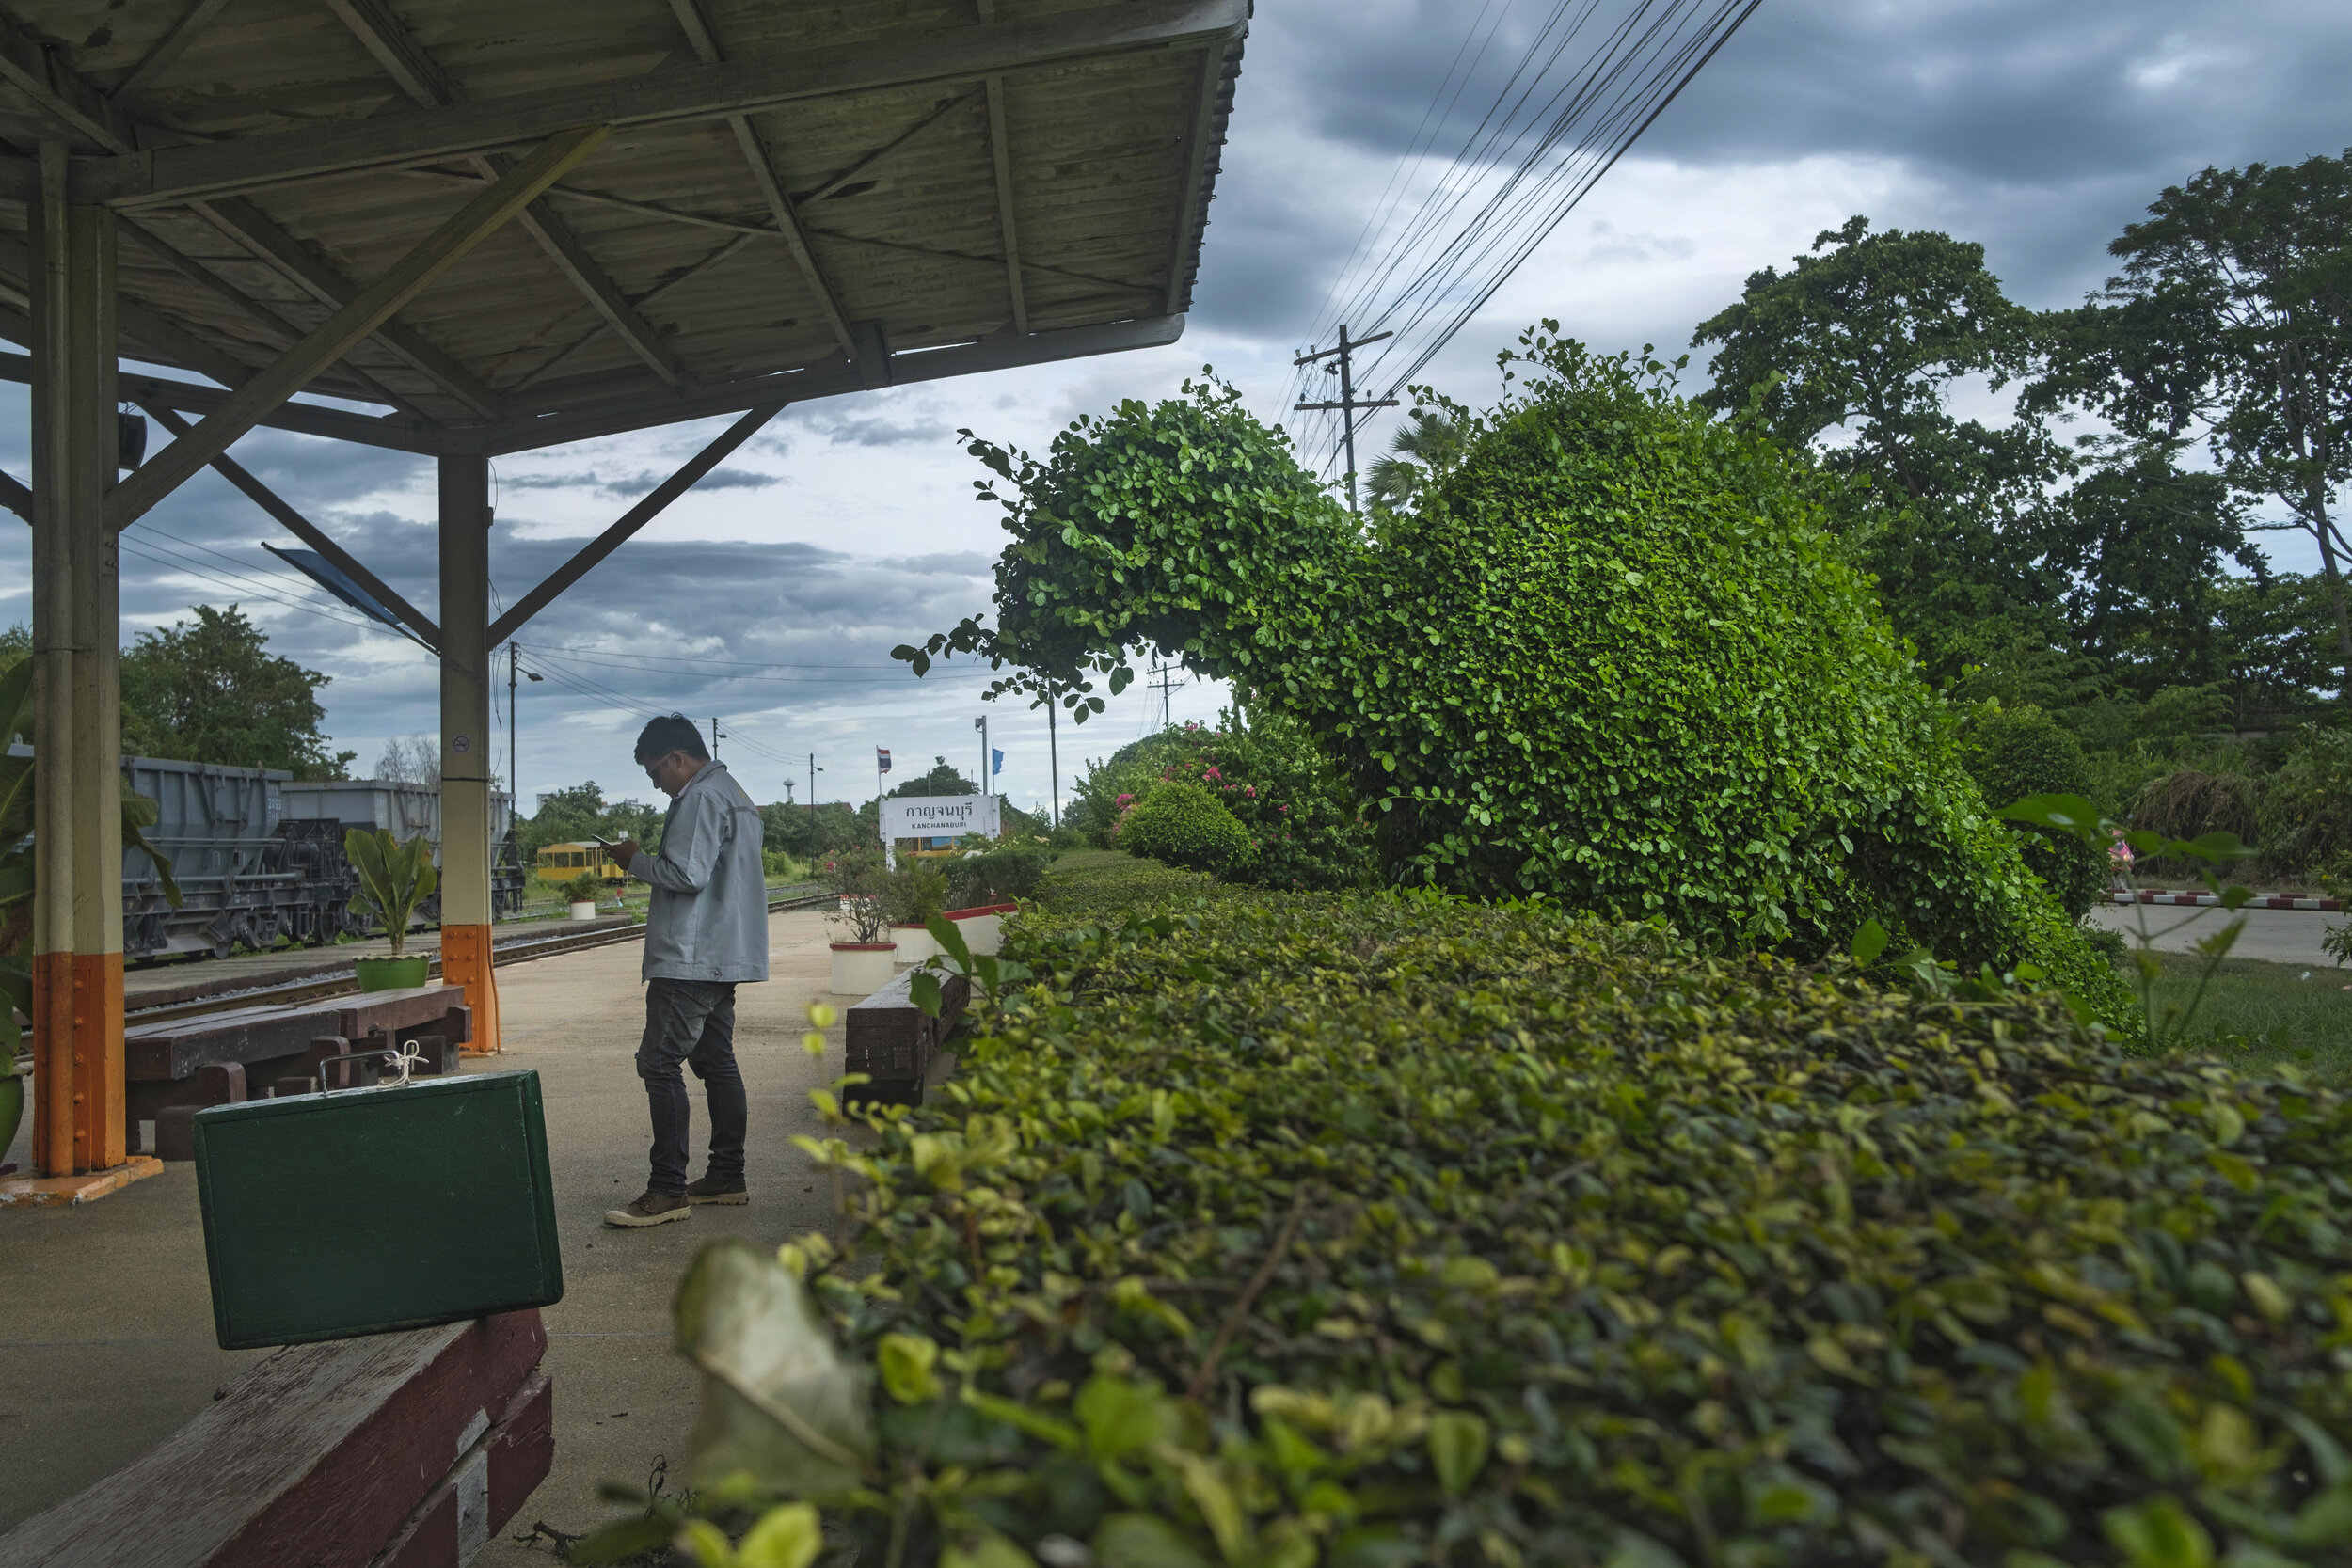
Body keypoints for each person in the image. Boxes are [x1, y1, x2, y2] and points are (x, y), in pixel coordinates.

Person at [602, 713, 770, 1227]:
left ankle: (667, 1190)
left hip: (690, 956)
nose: (656, 784)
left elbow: (685, 875)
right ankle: (725, 1175)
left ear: (678, 758)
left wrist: (632, 859)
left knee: (658, 1064)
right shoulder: (735, 793)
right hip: (725, 953)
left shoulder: (698, 796)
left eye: (656, 772)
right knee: (716, 1063)